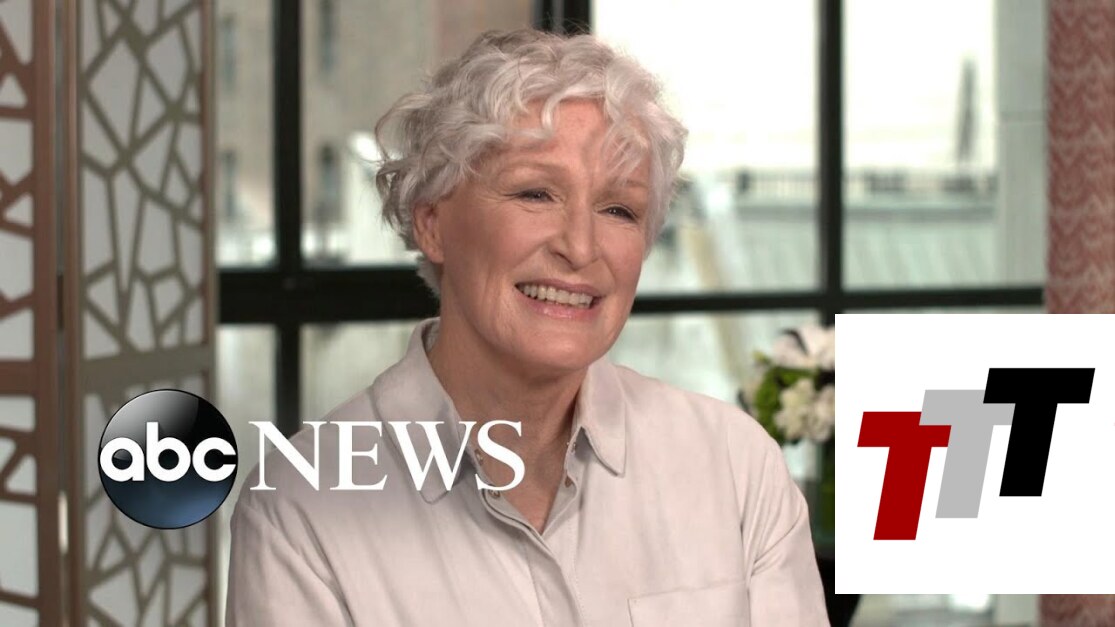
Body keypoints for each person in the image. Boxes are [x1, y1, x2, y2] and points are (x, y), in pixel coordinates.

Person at [226, 28, 828, 626]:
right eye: (536, 194)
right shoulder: (301, 513)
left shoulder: (736, 466)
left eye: (619, 209)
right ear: (432, 224)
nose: (580, 247)